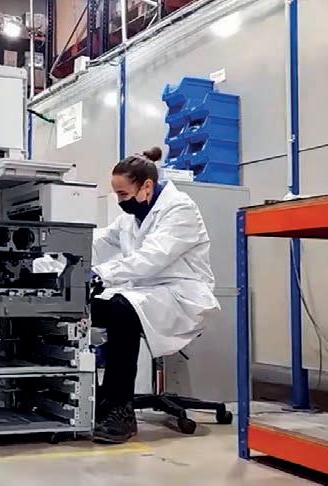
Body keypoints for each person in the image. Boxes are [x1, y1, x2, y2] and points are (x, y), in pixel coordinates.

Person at [91, 146, 219, 443]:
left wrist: (101, 274)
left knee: (122, 310)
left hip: (180, 295)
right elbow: (102, 239)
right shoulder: (131, 217)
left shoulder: (180, 209)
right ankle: (96, 399)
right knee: (87, 306)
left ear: (146, 186)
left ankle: (121, 410)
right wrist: (61, 244)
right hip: (145, 292)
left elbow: (152, 257)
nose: (120, 201)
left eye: (123, 194)